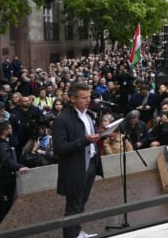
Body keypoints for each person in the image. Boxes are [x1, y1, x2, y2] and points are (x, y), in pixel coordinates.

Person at [52, 83, 102, 238]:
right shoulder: (62, 120)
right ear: (72, 99)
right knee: (73, 206)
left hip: (90, 164)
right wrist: (85, 141)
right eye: (84, 98)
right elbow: (59, 148)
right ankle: (71, 236)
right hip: (75, 169)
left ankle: (77, 231)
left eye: (89, 97)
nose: (88, 100)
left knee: (82, 202)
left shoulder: (88, 115)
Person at [0, 122, 29, 229]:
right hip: (2, 181)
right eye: (9, 128)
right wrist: (20, 167)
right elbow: (7, 161)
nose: (12, 130)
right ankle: (1, 227)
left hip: (0, 179)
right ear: (4, 131)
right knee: (2, 205)